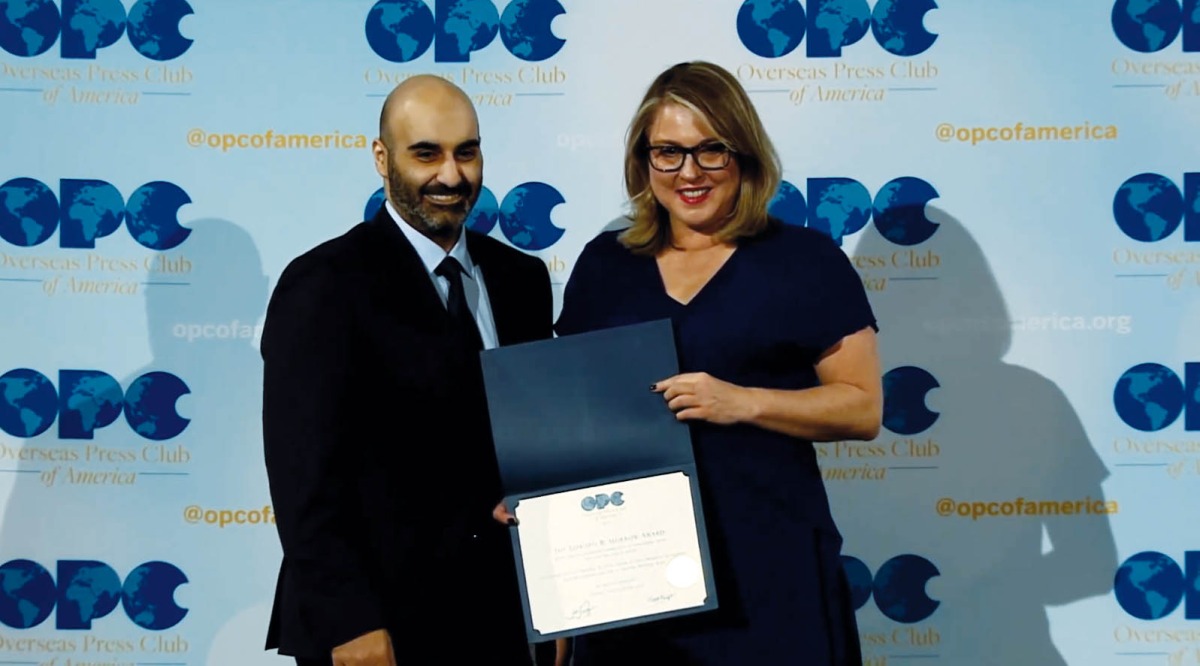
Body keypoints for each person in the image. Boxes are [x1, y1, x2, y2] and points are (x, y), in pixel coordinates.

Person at [554, 61, 883, 664]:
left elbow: (862, 406)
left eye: (711, 151)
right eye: (668, 153)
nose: (689, 173)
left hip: (771, 573)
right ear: (642, 160)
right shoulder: (605, 264)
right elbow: (574, 416)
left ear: (745, 154)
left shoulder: (806, 261)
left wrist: (742, 401)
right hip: (632, 580)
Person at [260, 74, 552, 666]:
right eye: (426, 153)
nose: (450, 175)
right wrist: (351, 623)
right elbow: (303, 479)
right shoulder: (324, 285)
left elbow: (538, 449)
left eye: (465, 152)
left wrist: (558, 597)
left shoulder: (522, 280)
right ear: (381, 158)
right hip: (382, 628)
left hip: (503, 615)